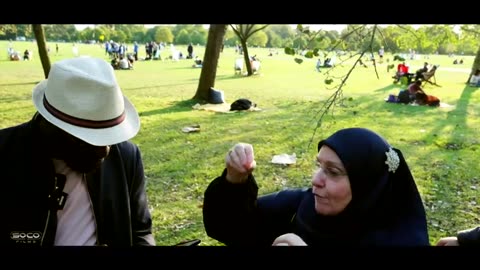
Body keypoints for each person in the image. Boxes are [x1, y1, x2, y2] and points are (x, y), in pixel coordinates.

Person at [0, 57, 155, 246]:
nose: (105, 151)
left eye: (108, 135)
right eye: (90, 137)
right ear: (51, 125)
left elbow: (141, 232)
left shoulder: (126, 157)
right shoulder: (5, 154)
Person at [202, 128, 430, 246]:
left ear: (367, 185)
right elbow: (232, 228)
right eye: (319, 166)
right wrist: (235, 181)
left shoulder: (399, 238)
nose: (316, 180)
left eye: (333, 172)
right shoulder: (304, 205)